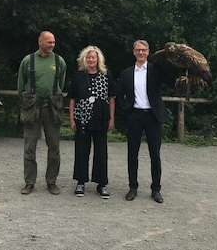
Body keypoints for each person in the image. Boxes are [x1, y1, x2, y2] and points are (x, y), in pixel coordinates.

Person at [117, 39, 172, 204]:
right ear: (134, 52)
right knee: (132, 153)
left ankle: (156, 189)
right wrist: (126, 112)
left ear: (148, 52)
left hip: (152, 116)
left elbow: (171, 82)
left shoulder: (156, 70)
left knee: (155, 153)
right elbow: (119, 95)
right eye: (138, 50)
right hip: (134, 115)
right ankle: (133, 187)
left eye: (143, 50)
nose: (141, 53)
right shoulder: (126, 73)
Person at [17, 31, 67, 195]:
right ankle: (29, 182)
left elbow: (61, 84)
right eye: (49, 42)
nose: (52, 45)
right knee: (29, 147)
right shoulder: (28, 61)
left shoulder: (59, 61)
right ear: (40, 42)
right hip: (32, 108)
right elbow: (21, 86)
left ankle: (51, 182)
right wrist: (29, 101)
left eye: (53, 42)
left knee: (54, 147)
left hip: (52, 108)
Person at [68, 45, 116, 199]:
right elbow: (72, 99)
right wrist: (71, 119)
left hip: (101, 117)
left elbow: (111, 98)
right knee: (81, 150)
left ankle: (101, 184)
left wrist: (111, 118)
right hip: (82, 118)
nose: (91, 60)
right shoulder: (78, 76)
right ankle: (81, 181)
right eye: (88, 57)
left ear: (98, 59)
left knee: (101, 151)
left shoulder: (106, 75)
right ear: (84, 59)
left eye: (93, 57)